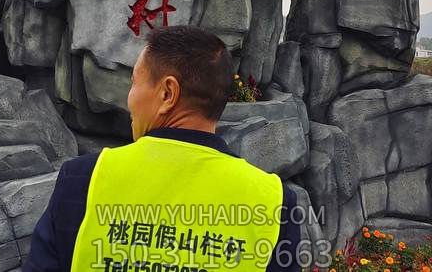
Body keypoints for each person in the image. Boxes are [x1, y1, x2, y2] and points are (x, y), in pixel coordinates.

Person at [24, 26, 301, 272]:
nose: (129, 98)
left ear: (168, 93)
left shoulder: (83, 180)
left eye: (135, 82)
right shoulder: (273, 203)